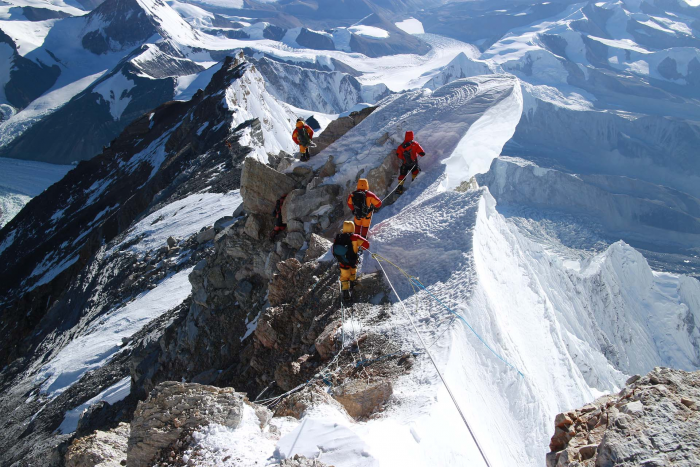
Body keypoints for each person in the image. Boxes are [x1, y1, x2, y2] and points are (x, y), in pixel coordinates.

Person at [333, 221, 370, 301]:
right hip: (353, 260)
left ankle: (345, 292)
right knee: (353, 271)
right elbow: (366, 244)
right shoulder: (355, 237)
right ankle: (352, 283)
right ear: (352, 227)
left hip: (343, 262)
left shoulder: (338, 237)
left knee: (344, 276)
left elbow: (334, 249)